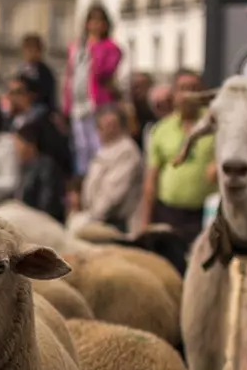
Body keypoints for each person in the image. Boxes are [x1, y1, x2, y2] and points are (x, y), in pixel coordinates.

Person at [138, 68, 216, 244]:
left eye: (194, 88)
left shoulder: (216, 127)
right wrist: (145, 225)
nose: (189, 94)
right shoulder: (161, 129)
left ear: (203, 93)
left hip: (205, 215)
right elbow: (151, 181)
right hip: (168, 213)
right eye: (183, 88)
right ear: (174, 94)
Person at [63, 3, 124, 178]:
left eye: (100, 21)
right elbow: (70, 75)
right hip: (78, 103)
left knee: (97, 143)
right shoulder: (76, 47)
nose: (96, 25)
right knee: (81, 146)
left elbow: (104, 72)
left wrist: (95, 52)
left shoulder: (110, 48)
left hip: (98, 103)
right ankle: (83, 178)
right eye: (93, 21)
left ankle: (100, 176)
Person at [76, 105, 143, 233]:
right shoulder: (104, 150)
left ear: (121, 126)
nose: (108, 129)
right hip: (97, 218)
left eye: (113, 124)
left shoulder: (126, 150)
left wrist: (92, 218)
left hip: (117, 224)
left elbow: (113, 193)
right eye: (104, 125)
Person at [14, 120, 66, 222]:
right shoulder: (25, 167)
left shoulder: (46, 166)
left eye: (18, 144)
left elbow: (48, 203)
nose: (16, 148)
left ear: (30, 144)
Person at [20, 34, 58, 111]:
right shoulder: (21, 70)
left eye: (33, 50)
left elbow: (47, 96)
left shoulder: (45, 72)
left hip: (39, 110)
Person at [128, 72, 155, 150]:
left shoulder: (158, 110)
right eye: (135, 87)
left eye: (143, 86)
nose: (138, 91)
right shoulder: (128, 113)